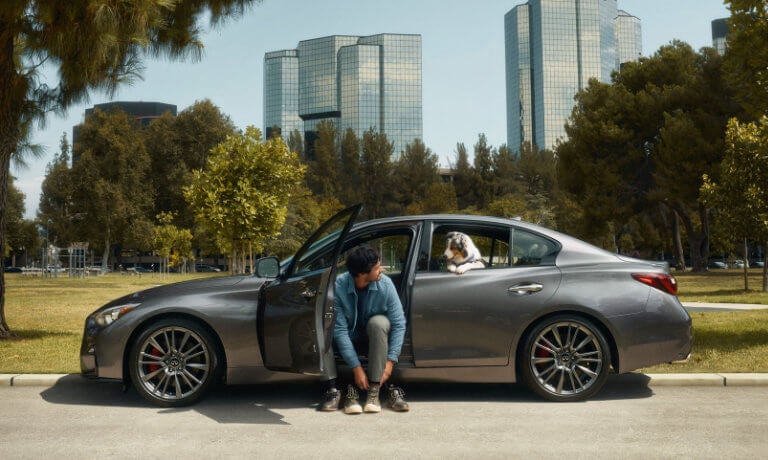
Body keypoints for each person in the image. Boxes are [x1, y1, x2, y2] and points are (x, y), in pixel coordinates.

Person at [319, 246, 410, 414]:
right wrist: (356, 367)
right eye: (376, 267)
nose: (381, 269)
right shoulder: (339, 287)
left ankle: (374, 390)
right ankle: (335, 390)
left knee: (379, 322)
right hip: (350, 336)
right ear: (362, 274)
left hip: (376, 335)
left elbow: (399, 324)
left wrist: (390, 361)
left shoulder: (386, 284)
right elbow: (339, 330)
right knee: (322, 329)